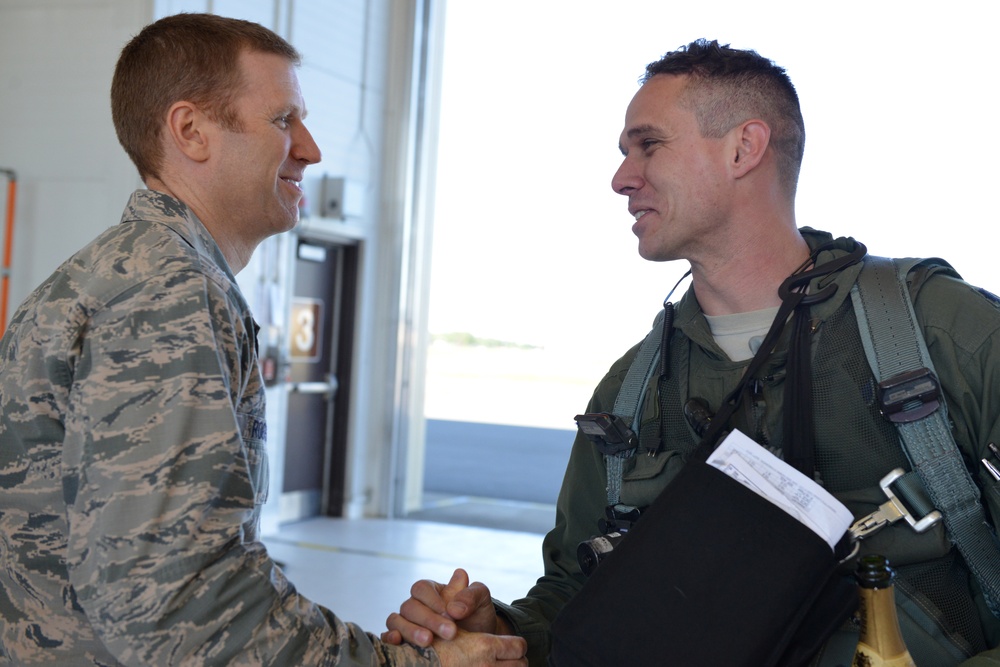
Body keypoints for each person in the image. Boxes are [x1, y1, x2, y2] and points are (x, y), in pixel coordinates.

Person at [382, 39, 1000, 666]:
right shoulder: (631, 394)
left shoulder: (938, 337)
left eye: (649, 145)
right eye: (625, 153)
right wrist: (505, 633)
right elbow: (579, 594)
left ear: (743, 148)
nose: (622, 178)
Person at [0, 13, 526, 667]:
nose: (310, 147)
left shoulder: (115, 273)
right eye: (283, 120)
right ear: (191, 131)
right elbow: (179, 604)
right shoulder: (168, 293)